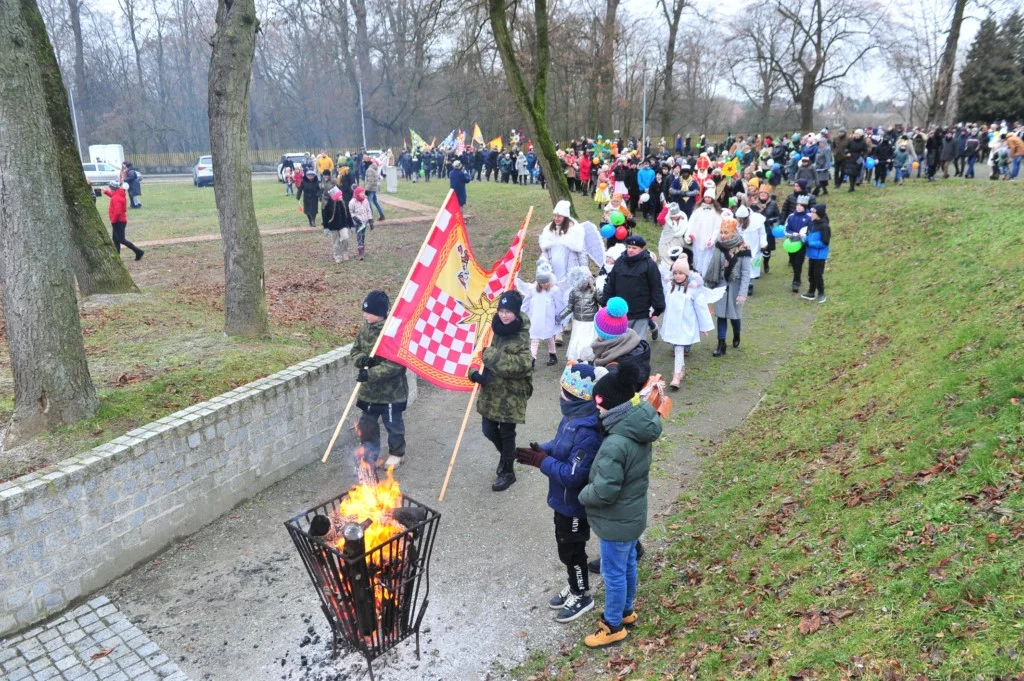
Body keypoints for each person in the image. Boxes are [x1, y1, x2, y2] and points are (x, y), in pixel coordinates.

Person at [578, 363, 661, 648]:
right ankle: (626, 611)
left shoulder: (615, 443)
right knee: (627, 565)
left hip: (616, 522)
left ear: (612, 407)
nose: (597, 411)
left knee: (612, 573)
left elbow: (605, 490)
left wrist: (583, 494)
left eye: (599, 407)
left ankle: (612, 625)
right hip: (632, 515)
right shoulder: (637, 426)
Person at [515, 363, 603, 623]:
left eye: (563, 391)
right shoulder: (572, 419)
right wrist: (540, 450)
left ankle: (581, 594)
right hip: (561, 501)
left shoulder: (587, 431)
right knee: (564, 546)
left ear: (574, 396)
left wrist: (541, 461)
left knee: (573, 549)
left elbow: (573, 475)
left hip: (574, 504)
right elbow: (560, 445)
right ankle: (574, 582)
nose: (559, 396)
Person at [469, 290, 534, 492]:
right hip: (491, 390)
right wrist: (474, 373)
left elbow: (523, 365)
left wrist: (491, 357)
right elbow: (477, 351)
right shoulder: (492, 327)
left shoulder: (522, 334)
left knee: (507, 433)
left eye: (509, 311)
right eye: (502, 310)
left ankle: (508, 471)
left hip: (512, 394)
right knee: (488, 429)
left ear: (516, 312)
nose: (504, 315)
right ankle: (509, 454)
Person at [349, 291, 408, 471]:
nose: (365, 314)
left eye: (369, 312)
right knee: (367, 424)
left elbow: (397, 365)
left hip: (391, 392)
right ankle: (370, 453)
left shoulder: (393, 332)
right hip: (369, 391)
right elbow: (355, 350)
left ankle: (397, 453)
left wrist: (371, 374)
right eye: (364, 311)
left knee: (393, 424)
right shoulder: (365, 328)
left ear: (380, 313)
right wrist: (362, 360)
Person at [660, 258, 713, 388]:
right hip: (672, 323)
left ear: (686, 274)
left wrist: (704, 326)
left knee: (679, 348)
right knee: (678, 347)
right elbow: (663, 301)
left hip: (685, 324)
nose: (678, 276)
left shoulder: (693, 290)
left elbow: (701, 308)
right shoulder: (669, 287)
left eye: (681, 273)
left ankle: (676, 375)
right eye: (676, 273)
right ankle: (681, 369)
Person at [601, 235, 665, 341]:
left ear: (641, 249)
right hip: (621, 310)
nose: (630, 250)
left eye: (634, 248)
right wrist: (604, 302)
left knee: (638, 340)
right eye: (629, 247)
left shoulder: (649, 265)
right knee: (621, 339)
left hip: (641, 311)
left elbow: (656, 287)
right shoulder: (620, 261)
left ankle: (639, 357)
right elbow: (611, 283)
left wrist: (657, 309)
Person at [704, 217, 751, 357]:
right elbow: (714, 264)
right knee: (721, 315)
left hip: (735, 286)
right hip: (721, 285)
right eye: (721, 232)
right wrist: (710, 283)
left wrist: (743, 293)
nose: (723, 235)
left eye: (726, 233)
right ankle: (721, 344)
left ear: (734, 232)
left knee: (735, 316)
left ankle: (737, 333)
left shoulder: (744, 248)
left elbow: (745, 273)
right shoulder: (719, 246)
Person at [518, 260, 562, 366]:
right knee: (534, 338)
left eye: (546, 282)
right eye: (542, 283)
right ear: (538, 282)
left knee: (550, 336)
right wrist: (522, 313)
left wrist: (559, 315)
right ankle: (532, 359)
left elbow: (559, 304)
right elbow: (526, 302)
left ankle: (553, 355)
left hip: (549, 318)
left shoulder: (554, 290)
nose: (545, 284)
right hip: (535, 318)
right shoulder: (533, 289)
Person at [556, 267, 599, 362]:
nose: (581, 285)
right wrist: (560, 316)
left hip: (590, 322)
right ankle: (576, 358)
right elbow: (569, 307)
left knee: (587, 342)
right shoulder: (574, 292)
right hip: (578, 322)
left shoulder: (594, 291)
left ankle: (588, 359)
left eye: (583, 282)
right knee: (577, 341)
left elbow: (602, 302)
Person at [102, 182, 144, 261]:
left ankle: (138, 252)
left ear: (113, 189)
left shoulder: (116, 198)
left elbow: (117, 212)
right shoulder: (119, 193)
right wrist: (106, 192)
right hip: (119, 221)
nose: (110, 189)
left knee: (121, 240)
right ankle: (117, 256)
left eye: (110, 188)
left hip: (118, 221)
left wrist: (113, 221)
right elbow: (114, 196)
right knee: (115, 239)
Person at [684, 190, 723, 277]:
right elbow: (691, 223)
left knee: (707, 260)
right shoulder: (697, 210)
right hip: (697, 239)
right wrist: (688, 235)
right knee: (697, 259)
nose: (707, 199)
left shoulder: (716, 212)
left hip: (708, 240)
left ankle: (706, 278)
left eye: (709, 197)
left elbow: (717, 227)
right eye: (706, 197)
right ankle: (697, 276)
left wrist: (713, 240)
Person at [800, 204, 830, 304]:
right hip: (811, 255)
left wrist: (810, 243)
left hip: (820, 256)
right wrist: (802, 240)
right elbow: (808, 236)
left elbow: (824, 242)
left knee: (818, 275)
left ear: (819, 214)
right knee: (810, 274)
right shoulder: (811, 224)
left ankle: (821, 293)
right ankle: (811, 292)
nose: (811, 214)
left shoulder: (825, 227)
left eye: (813, 212)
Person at [735, 205, 767, 295]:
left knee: (751, 267)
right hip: (741, 247)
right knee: (741, 266)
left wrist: (763, 244)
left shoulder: (757, 221)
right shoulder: (737, 223)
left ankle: (749, 284)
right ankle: (741, 284)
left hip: (754, 247)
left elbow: (762, 234)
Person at [784, 195, 812, 292]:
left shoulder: (809, 217)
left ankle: (795, 281)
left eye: (801, 205)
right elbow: (786, 229)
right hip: (792, 242)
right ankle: (797, 278)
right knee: (793, 261)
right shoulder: (791, 217)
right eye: (797, 205)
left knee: (798, 263)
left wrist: (804, 236)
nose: (799, 207)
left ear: (805, 207)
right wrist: (792, 233)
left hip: (802, 243)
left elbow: (811, 230)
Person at [322, 182, 353, 263]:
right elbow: (325, 217)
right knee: (336, 242)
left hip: (343, 224)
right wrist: (326, 227)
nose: (341, 196)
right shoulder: (328, 205)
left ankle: (345, 252)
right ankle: (337, 255)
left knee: (345, 238)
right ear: (335, 196)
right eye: (339, 195)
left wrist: (351, 225)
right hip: (333, 225)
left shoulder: (344, 203)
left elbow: (348, 215)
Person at [349, 186, 373, 261]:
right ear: (357, 194)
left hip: (364, 222)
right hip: (358, 223)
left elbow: (369, 210)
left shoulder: (365, 200)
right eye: (361, 193)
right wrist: (354, 218)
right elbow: (350, 212)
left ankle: (362, 247)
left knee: (363, 235)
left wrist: (370, 219)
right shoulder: (352, 202)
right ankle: (360, 252)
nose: (363, 194)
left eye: (363, 193)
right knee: (359, 236)